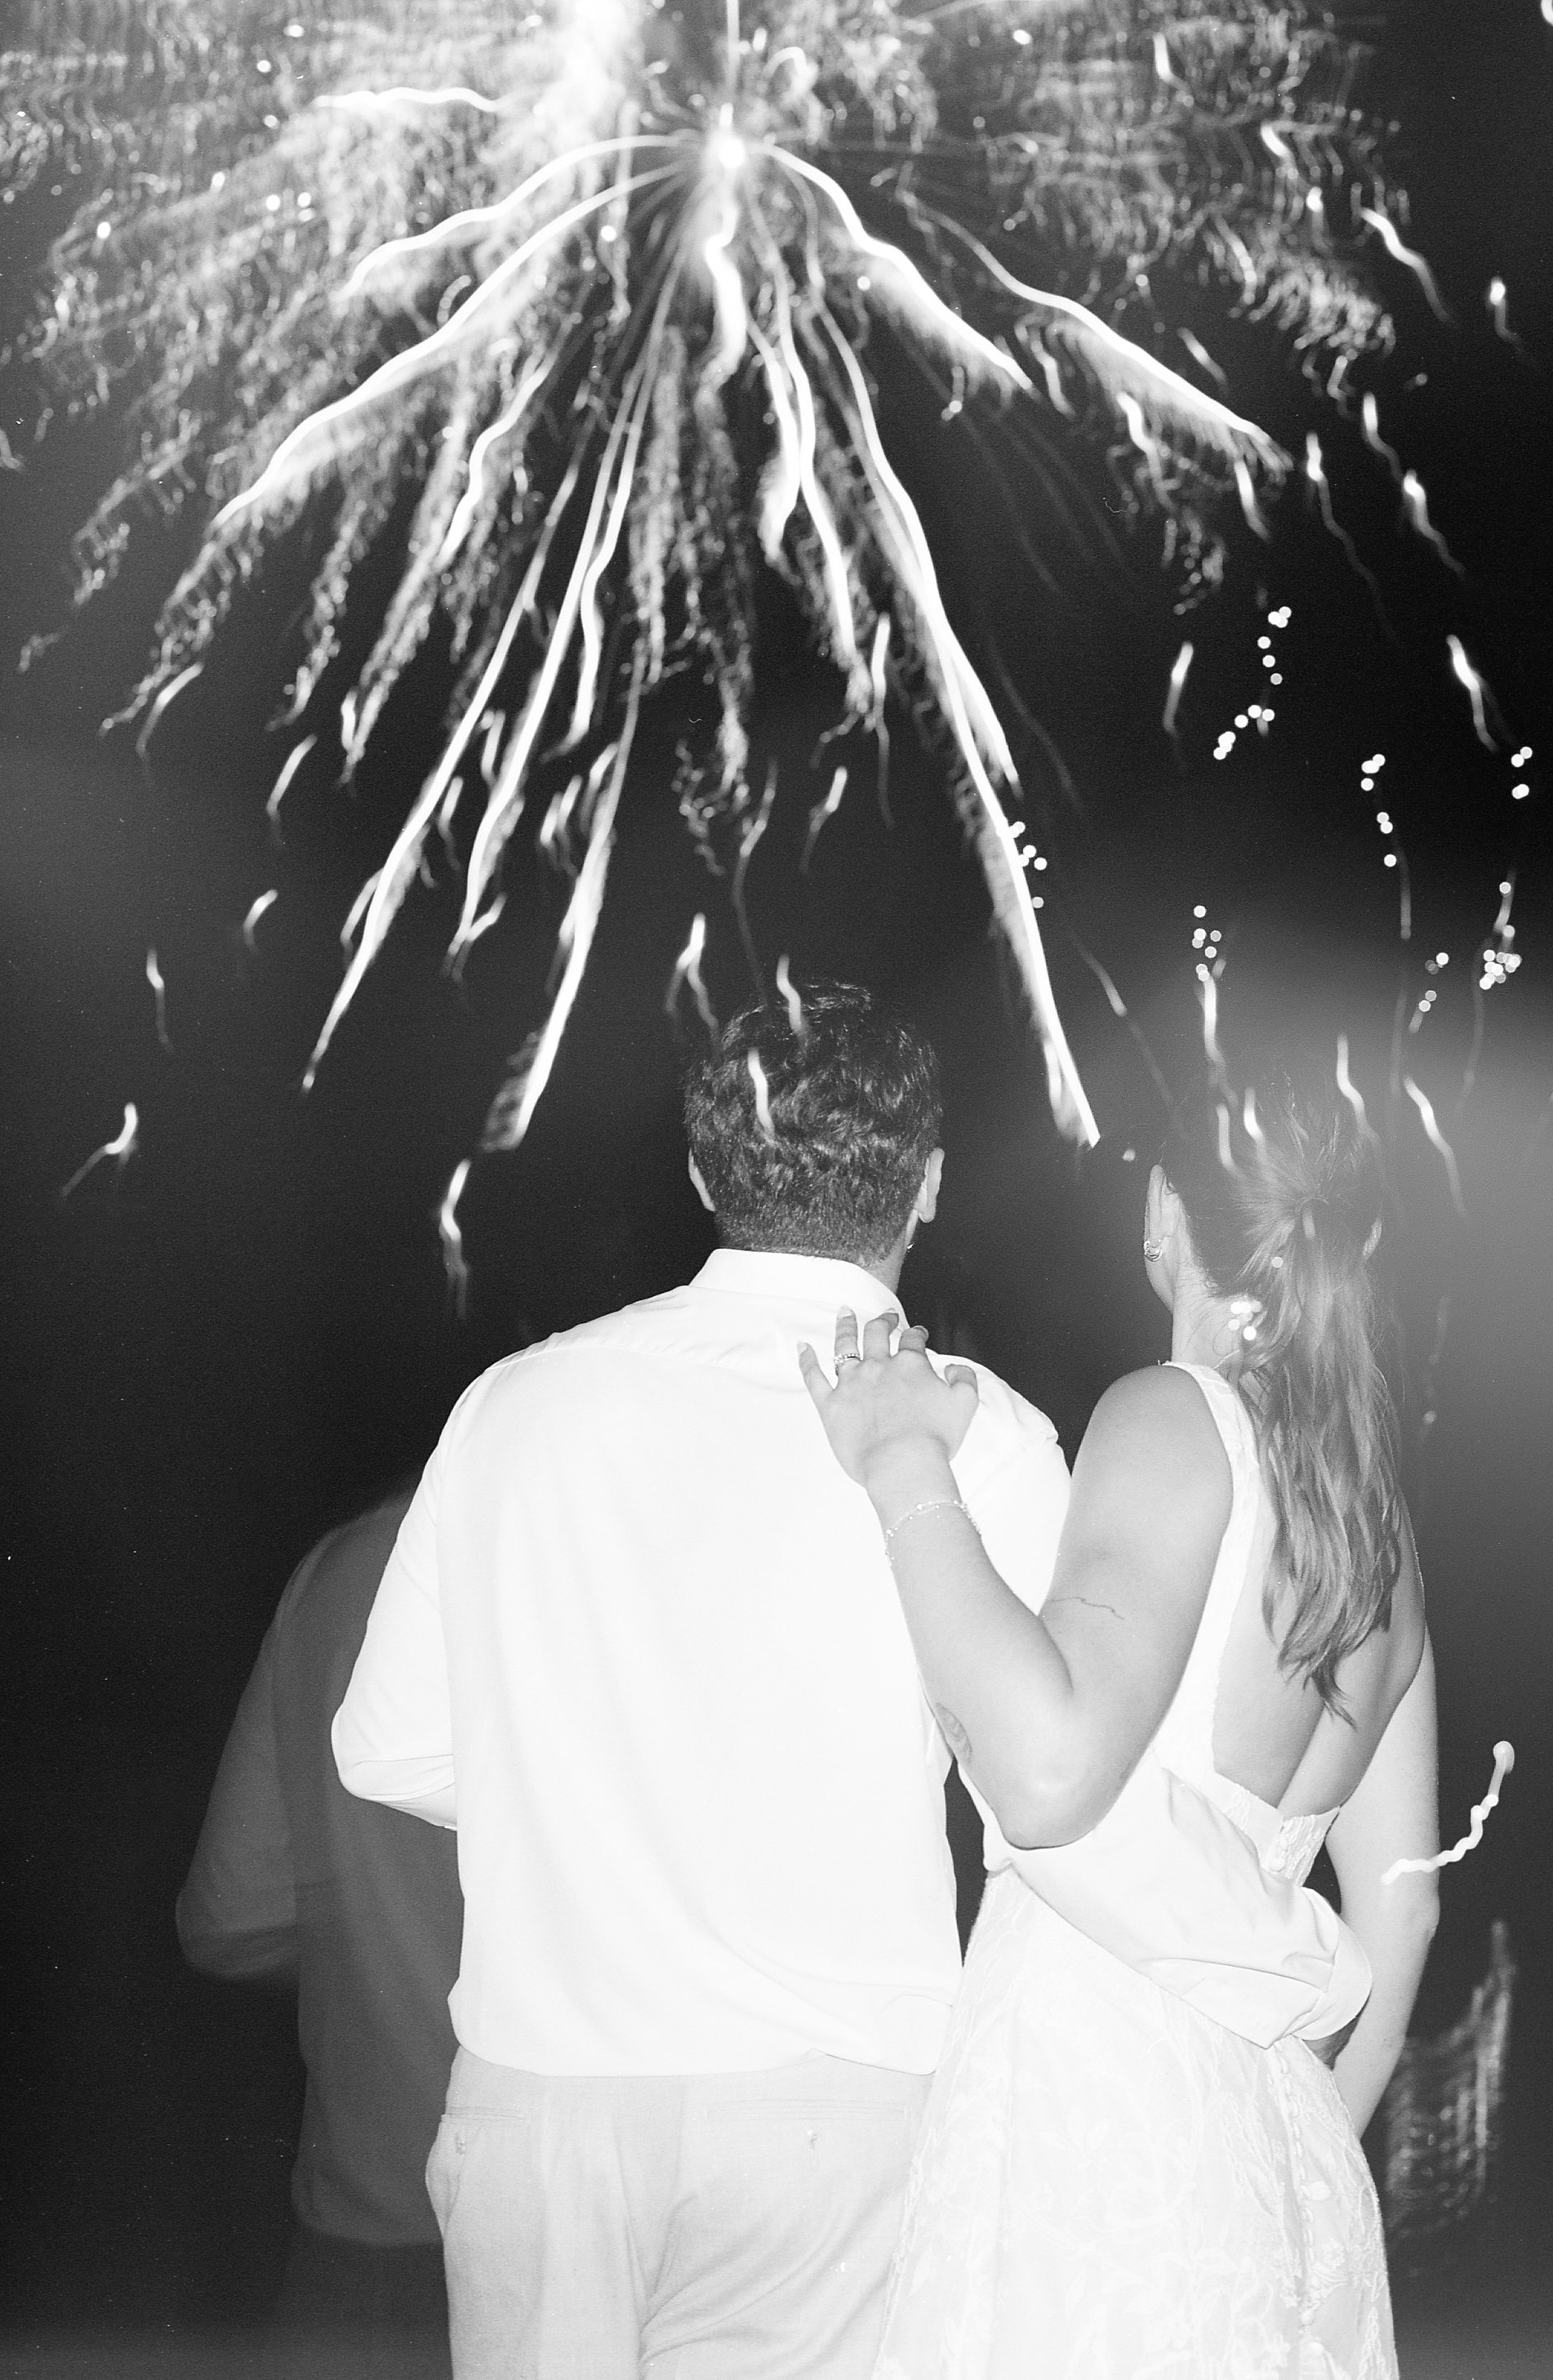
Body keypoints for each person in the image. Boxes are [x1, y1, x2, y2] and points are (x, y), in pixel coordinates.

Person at [331, 986, 1373, 2380]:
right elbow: (1063, 1788)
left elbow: (386, 1746)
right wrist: (1294, 1955)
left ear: (702, 1169)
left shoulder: (510, 1408)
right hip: (840, 2114)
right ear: (928, 1182)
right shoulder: (986, 1436)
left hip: (548, 2095)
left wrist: (601, 1798)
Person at [799, 1059, 1443, 2379]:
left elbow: (1047, 1773)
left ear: (1163, 1211)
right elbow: (1409, 1914)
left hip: (1090, 2103)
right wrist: (1297, 2160)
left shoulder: (1169, 1415)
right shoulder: (1386, 1544)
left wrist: (903, 1461)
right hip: (1284, 2137)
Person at [176, 1490, 461, 2362]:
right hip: (638, 2224)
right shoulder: (672, 1536)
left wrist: (379, 1959)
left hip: (371, 2222)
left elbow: (230, 1917)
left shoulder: (344, 1565)